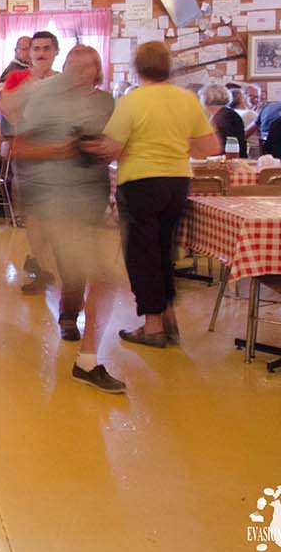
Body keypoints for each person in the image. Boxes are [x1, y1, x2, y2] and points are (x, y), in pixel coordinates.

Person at [81, 41, 220, 349]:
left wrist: (87, 146)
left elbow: (112, 148)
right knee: (164, 249)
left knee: (141, 254)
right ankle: (168, 315)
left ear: (137, 67)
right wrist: (178, 145)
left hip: (141, 181)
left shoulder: (132, 101)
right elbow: (210, 147)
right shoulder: (187, 100)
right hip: (177, 181)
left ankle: (153, 325)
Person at [13, 46, 124, 393]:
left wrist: (104, 149)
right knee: (95, 273)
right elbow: (19, 147)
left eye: (88, 66)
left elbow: (119, 143)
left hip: (92, 196)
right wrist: (58, 150)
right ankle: (82, 350)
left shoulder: (105, 103)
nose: (81, 72)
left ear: (96, 70)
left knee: (97, 275)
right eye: (74, 66)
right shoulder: (45, 99)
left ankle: (77, 334)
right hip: (55, 198)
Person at [0, 32, 61, 291]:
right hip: (29, 156)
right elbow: (7, 110)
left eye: (47, 48)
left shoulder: (63, 81)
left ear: (56, 51)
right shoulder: (16, 78)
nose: (41, 53)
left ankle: (45, 263)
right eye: (36, 48)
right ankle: (40, 263)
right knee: (35, 216)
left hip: (59, 156)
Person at [199, 84, 246, 158]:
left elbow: (220, 145)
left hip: (228, 161)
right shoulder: (226, 113)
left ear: (206, 98)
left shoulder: (223, 117)